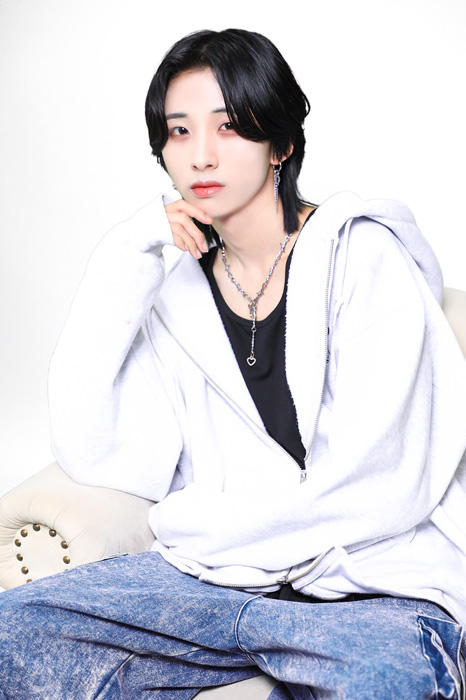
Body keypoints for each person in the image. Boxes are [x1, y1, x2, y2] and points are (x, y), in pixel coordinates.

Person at [1, 27, 466, 700]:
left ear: (281, 143)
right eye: (179, 131)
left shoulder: (365, 258)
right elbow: (101, 452)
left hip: (371, 587)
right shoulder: (176, 293)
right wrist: (128, 252)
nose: (201, 155)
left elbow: (382, 485)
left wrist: (202, 529)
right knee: (14, 631)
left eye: (229, 126)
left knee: (384, 682)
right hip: (216, 585)